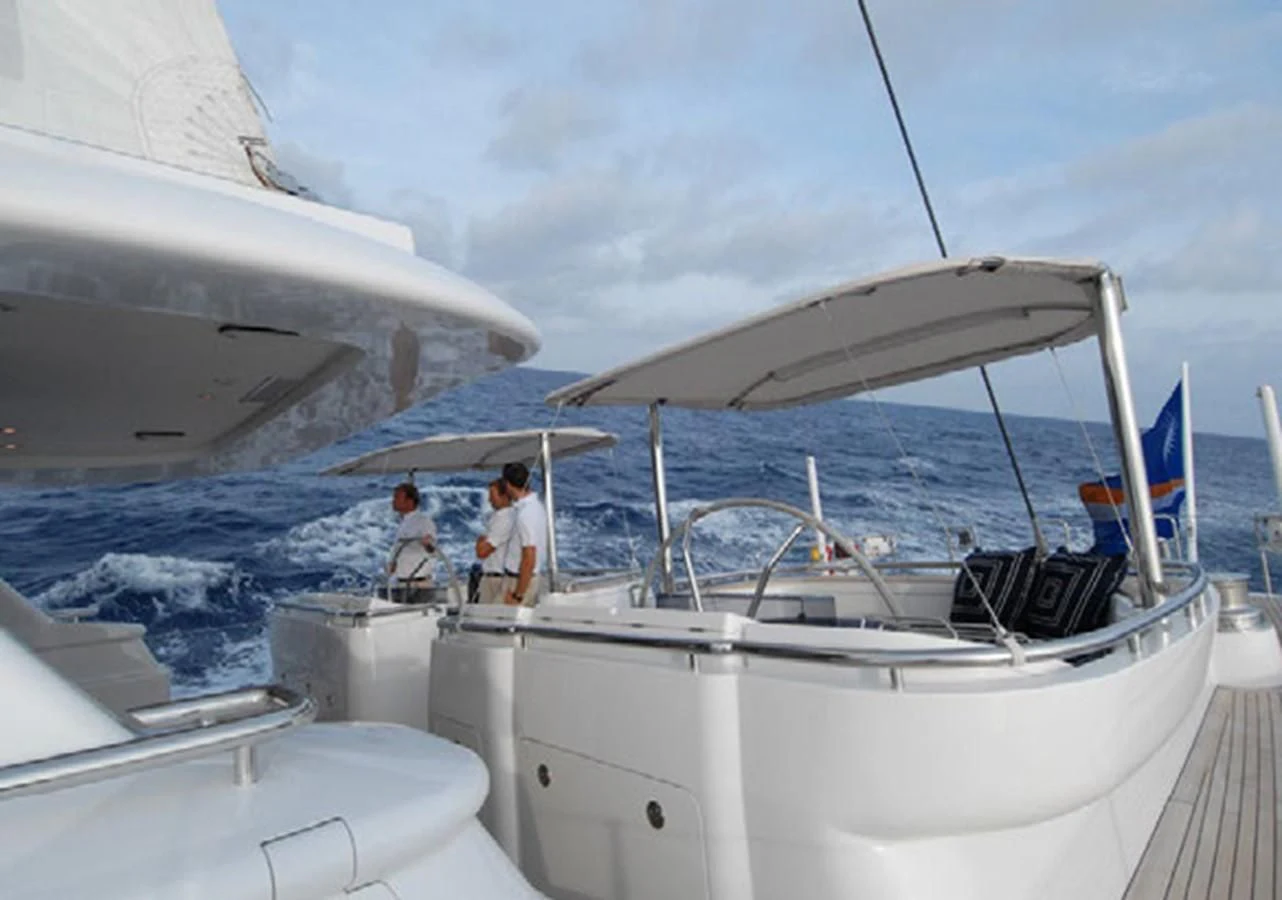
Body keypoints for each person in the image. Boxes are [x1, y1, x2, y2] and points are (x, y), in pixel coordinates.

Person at [501, 462, 548, 607]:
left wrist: (518, 595)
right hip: (530, 579)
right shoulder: (537, 507)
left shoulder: (525, 514)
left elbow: (529, 557)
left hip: (519, 581)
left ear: (508, 484)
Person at [387, 481, 437, 603]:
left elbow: (432, 547)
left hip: (418, 586)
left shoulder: (423, 521)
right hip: (402, 584)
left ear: (409, 501)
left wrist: (427, 544)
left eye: (397, 497)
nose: (393, 501)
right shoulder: (404, 523)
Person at [474, 478, 515, 604]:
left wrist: (480, 541)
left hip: (498, 580)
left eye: (492, 495)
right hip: (491, 577)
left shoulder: (505, 518)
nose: (489, 500)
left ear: (504, 496)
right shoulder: (497, 517)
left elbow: (482, 552)